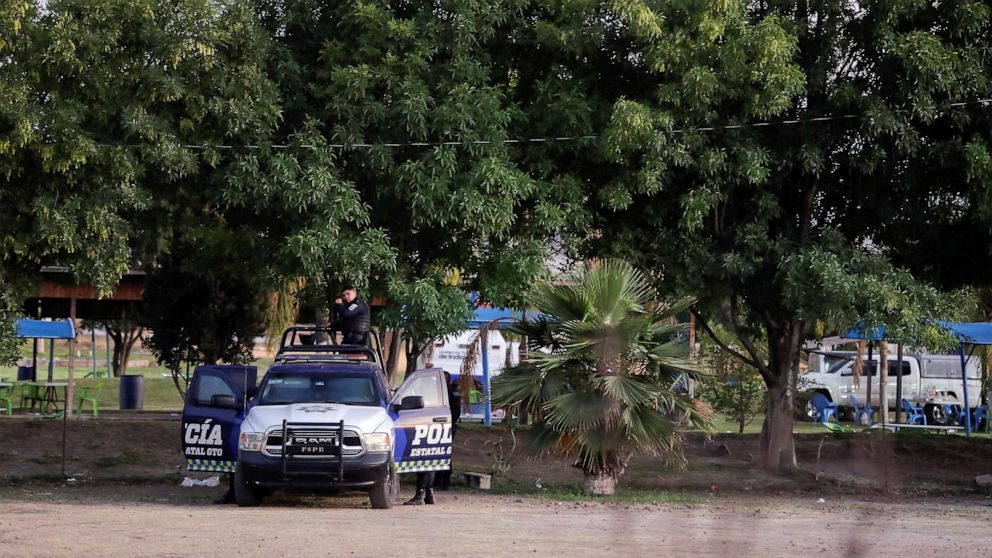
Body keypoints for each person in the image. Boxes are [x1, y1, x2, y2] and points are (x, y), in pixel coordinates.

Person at [434, 371, 460, 490]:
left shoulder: (450, 393)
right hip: (440, 426)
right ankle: (438, 480)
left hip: (447, 426)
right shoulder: (439, 393)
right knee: (438, 453)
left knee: (444, 453)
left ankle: (444, 481)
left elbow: (455, 412)